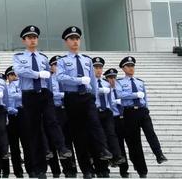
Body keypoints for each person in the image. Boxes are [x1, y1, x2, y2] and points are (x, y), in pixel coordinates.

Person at [13, 26, 72, 178]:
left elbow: (49, 79)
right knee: (34, 131)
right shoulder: (19, 57)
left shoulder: (43, 58)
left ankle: (61, 148)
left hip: (45, 94)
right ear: (24, 40)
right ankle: (40, 169)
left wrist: (51, 93)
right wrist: (37, 74)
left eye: (35, 37)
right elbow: (20, 71)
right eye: (29, 37)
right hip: (29, 95)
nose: (33, 39)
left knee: (52, 121)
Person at [56, 26, 112, 179]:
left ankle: (103, 151)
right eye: (72, 39)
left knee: (95, 124)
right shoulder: (62, 61)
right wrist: (78, 80)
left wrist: (93, 96)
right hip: (72, 98)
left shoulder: (87, 60)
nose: (75, 41)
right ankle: (86, 169)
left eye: (77, 38)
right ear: (66, 42)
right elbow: (60, 77)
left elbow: (93, 82)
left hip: (87, 97)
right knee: (79, 135)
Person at [117, 56, 167, 178]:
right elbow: (119, 94)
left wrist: (146, 108)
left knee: (150, 132)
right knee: (135, 143)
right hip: (130, 113)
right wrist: (134, 94)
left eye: (132, 66)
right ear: (123, 68)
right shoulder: (119, 82)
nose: (131, 68)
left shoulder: (140, 82)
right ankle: (142, 171)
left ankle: (159, 154)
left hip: (142, 111)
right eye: (128, 66)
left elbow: (145, 98)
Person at [92, 57, 125, 177]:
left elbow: (111, 100)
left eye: (100, 67)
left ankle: (116, 156)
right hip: (95, 111)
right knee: (98, 138)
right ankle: (102, 168)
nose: (99, 70)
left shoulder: (107, 83)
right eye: (96, 67)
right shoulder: (90, 82)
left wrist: (112, 109)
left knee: (111, 134)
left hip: (106, 112)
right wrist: (98, 90)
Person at [48, 56, 76, 178]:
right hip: (55, 110)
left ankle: (70, 168)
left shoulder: (67, 79)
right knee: (56, 140)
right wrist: (63, 94)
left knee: (69, 140)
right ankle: (56, 170)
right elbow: (49, 94)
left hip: (68, 110)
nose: (57, 67)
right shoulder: (49, 80)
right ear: (51, 67)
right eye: (55, 65)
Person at [104, 68, 129, 178]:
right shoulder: (105, 89)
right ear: (106, 79)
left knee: (121, 145)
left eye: (114, 77)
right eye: (110, 78)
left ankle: (124, 170)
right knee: (110, 142)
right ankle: (109, 164)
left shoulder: (120, 88)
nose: (112, 80)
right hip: (110, 118)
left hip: (121, 118)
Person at [4, 67, 24, 179]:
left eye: (15, 74)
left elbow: (24, 97)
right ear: (7, 77)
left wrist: (14, 95)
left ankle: (31, 169)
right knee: (14, 146)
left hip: (21, 115)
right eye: (11, 75)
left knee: (26, 143)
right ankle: (18, 172)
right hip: (11, 118)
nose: (14, 76)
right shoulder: (5, 88)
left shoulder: (21, 86)